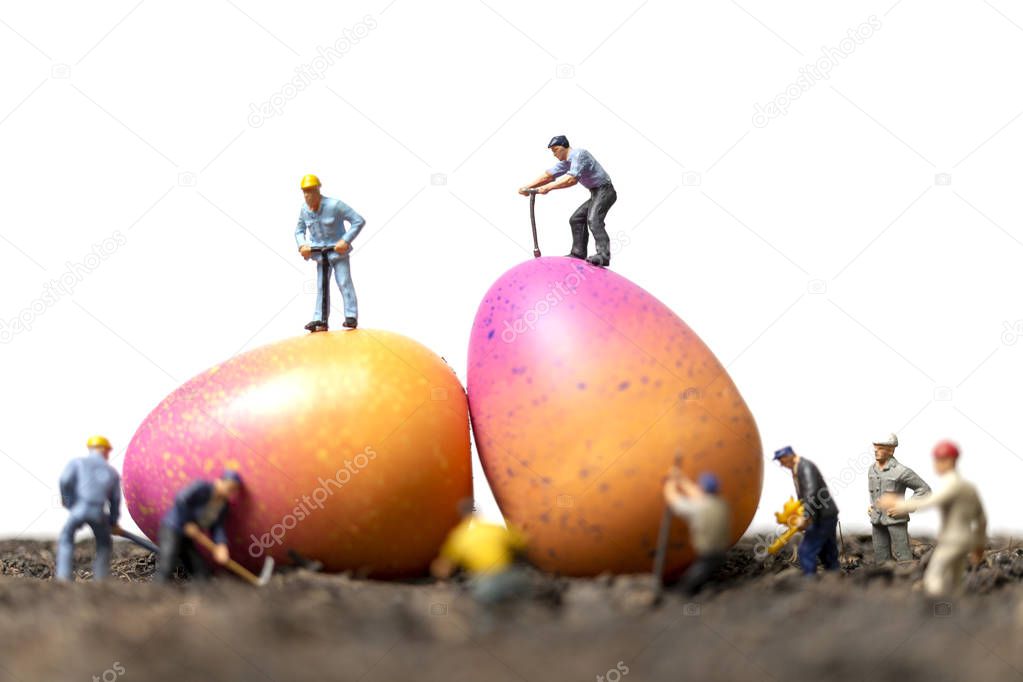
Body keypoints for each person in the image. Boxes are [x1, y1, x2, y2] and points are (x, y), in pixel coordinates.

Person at [878, 440, 987, 597]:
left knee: (934, 576)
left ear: (949, 461)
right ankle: (958, 609)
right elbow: (982, 520)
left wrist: (898, 504)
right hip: (966, 540)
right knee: (956, 579)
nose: (935, 465)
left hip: (952, 540)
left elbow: (930, 501)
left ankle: (935, 608)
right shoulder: (969, 488)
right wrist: (979, 546)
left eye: (938, 460)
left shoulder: (952, 484)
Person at [517, 135, 617, 267]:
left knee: (594, 219)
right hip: (595, 192)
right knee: (576, 219)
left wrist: (548, 188)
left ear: (565, 147)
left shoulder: (579, 155)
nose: (554, 154)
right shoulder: (567, 162)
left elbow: (571, 180)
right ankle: (578, 253)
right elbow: (549, 176)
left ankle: (604, 255)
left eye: (555, 149)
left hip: (605, 191)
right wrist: (528, 187)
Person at [294, 174, 366, 332]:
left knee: (344, 282)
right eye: (305, 192)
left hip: (337, 252)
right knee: (321, 286)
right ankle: (320, 319)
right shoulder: (304, 210)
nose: (307, 195)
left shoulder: (335, 205)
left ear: (318, 190)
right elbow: (299, 230)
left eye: (311, 191)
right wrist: (302, 245)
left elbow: (358, 220)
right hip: (320, 254)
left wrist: (345, 240)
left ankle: (351, 316)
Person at [431, 500, 530, 605]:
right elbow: (522, 544)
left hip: (486, 583)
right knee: (526, 588)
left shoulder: (459, 536)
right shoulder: (496, 526)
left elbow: (443, 567)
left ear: (462, 515)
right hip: (508, 576)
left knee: (482, 605)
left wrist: (440, 581)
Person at [155, 470, 242, 582]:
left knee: (201, 571)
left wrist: (221, 544)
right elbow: (181, 499)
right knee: (167, 564)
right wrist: (187, 522)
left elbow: (217, 527)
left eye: (234, 490)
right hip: (172, 529)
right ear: (220, 481)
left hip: (187, 538)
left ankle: (200, 597)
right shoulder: (201, 487)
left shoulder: (223, 506)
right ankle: (155, 594)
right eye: (229, 488)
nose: (230, 493)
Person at [55, 435, 122, 581]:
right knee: (104, 543)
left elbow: (65, 480)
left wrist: (68, 501)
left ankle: (63, 577)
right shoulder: (112, 472)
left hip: (79, 508)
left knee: (66, 537)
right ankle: (100, 579)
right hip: (98, 512)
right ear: (105, 451)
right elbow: (115, 500)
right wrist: (113, 521)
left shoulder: (78, 463)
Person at [773, 446, 840, 575]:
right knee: (828, 551)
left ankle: (810, 583)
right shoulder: (798, 468)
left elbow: (811, 492)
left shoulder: (805, 467)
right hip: (825, 514)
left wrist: (805, 516)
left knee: (806, 551)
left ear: (788, 456)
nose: (781, 465)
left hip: (821, 516)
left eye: (781, 461)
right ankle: (834, 577)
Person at [661, 471, 731, 594]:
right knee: (707, 572)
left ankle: (685, 594)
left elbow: (674, 501)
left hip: (708, 554)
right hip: (722, 551)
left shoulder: (699, 508)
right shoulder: (721, 504)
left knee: (692, 579)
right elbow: (698, 495)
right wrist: (681, 479)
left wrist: (669, 484)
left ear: (702, 489)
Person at [867, 432, 930, 563]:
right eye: (875, 447)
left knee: (903, 556)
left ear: (890, 451)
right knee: (880, 555)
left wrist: (905, 507)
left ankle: (906, 577)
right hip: (877, 519)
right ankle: (884, 579)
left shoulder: (901, 471)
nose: (875, 451)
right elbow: (875, 493)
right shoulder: (872, 470)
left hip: (895, 519)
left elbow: (924, 490)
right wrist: (872, 506)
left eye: (880, 448)